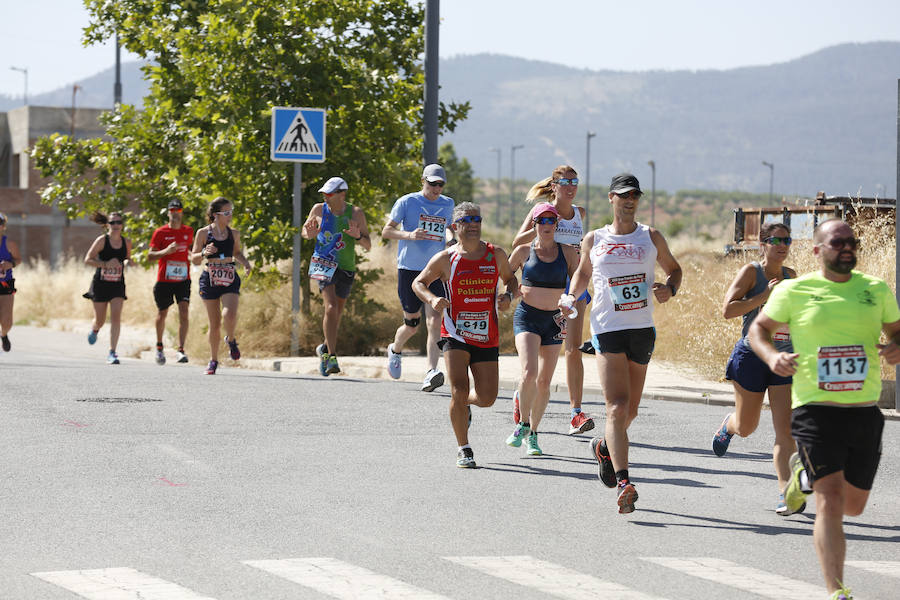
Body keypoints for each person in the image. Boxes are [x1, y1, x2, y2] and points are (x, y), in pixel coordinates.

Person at [749, 218, 900, 600]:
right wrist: (771, 358)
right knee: (830, 498)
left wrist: (898, 345)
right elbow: (759, 331)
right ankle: (836, 590)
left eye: (852, 242)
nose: (847, 247)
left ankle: (802, 473)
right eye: (837, 242)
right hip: (815, 409)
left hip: (864, 411)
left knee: (854, 506)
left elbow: (897, 331)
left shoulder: (875, 289)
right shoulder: (795, 291)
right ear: (817, 250)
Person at [562, 173, 682, 514]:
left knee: (629, 411)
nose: (630, 200)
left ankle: (603, 446)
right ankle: (625, 481)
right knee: (615, 407)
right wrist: (571, 297)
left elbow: (675, 270)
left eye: (635, 196)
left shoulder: (650, 237)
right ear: (611, 198)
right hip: (608, 328)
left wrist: (669, 289)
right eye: (624, 195)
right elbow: (583, 275)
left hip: (641, 328)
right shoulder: (594, 238)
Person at [411, 202, 518, 468]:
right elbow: (418, 283)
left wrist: (509, 295)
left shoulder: (496, 254)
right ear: (455, 227)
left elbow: (511, 279)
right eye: (467, 222)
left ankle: (465, 404)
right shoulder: (446, 258)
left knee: (487, 398)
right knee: (458, 389)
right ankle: (464, 447)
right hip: (454, 333)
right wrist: (433, 298)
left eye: (477, 221)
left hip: (486, 335)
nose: (473, 226)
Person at [713, 222, 799, 515]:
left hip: (782, 359)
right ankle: (730, 424)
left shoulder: (792, 277)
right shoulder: (752, 272)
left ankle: (787, 493)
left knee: (785, 430)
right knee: (747, 427)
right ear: (763, 244)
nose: (782, 245)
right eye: (776, 240)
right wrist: (763, 297)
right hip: (750, 356)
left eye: (787, 240)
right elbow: (728, 310)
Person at [513, 165, 594, 435]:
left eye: (575, 181)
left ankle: (576, 413)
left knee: (574, 347)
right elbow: (517, 242)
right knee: (537, 361)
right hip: (545, 284)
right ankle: (523, 394)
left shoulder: (580, 213)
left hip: (573, 283)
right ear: (554, 185)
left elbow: (583, 248)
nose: (571, 186)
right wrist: (544, 224)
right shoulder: (544, 213)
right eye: (565, 182)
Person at [506, 202, 578, 456]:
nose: (547, 225)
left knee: (544, 382)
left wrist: (571, 302)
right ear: (534, 225)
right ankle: (522, 424)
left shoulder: (568, 252)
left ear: (557, 224)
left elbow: (580, 281)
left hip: (556, 321)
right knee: (528, 373)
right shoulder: (524, 250)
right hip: (527, 316)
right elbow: (505, 273)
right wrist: (509, 291)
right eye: (542, 221)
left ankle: (534, 433)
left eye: (551, 221)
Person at [382, 164, 455, 392]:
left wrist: (451, 239)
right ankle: (395, 349)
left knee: (435, 320)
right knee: (412, 324)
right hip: (410, 269)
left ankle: (431, 371)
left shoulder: (448, 203)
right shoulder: (407, 202)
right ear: (423, 181)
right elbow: (387, 231)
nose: (436, 188)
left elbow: (449, 227)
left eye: (440, 184)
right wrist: (409, 235)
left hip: (436, 269)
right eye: (432, 183)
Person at [302, 176, 371, 376]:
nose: (325, 196)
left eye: (329, 193)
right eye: (324, 193)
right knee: (330, 308)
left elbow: (368, 244)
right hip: (323, 263)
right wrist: (311, 234)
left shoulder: (355, 213)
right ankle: (331, 356)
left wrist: (357, 236)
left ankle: (324, 348)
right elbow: (306, 232)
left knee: (336, 314)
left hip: (346, 266)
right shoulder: (318, 209)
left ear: (342, 194)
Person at [190, 197, 252, 375]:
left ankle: (231, 340)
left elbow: (237, 252)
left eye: (231, 211)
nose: (230, 215)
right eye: (226, 213)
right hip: (210, 277)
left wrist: (246, 264)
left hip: (229, 276)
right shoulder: (203, 233)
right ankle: (213, 360)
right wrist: (203, 252)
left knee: (229, 314)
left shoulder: (234, 234)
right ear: (215, 215)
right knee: (214, 324)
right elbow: (193, 257)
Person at [147, 199, 194, 365]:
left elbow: (192, 251)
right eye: (172, 210)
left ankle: (181, 350)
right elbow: (150, 256)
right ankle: (159, 347)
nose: (175, 213)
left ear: (181, 213)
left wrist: (193, 256)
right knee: (162, 314)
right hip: (164, 280)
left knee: (184, 311)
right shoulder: (160, 232)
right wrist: (167, 251)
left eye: (178, 211)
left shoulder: (189, 231)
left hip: (183, 279)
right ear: (168, 212)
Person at [83, 211, 132, 365]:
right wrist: (105, 264)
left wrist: (128, 263)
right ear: (107, 225)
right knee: (100, 319)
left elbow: (127, 259)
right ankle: (95, 329)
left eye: (118, 222)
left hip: (117, 284)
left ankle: (112, 352)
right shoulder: (102, 241)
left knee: (116, 317)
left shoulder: (127, 242)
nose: (116, 225)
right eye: (112, 223)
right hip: (101, 284)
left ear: (122, 224)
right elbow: (87, 260)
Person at [0, 212, 21, 352]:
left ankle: (4, 334)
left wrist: (9, 264)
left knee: (7, 321)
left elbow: (18, 259)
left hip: (5, 284)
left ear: (3, 226)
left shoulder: (9, 244)